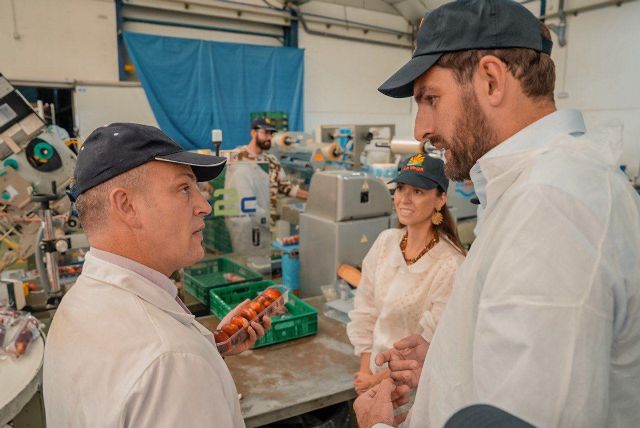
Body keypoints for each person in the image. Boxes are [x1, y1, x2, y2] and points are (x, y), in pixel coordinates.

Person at [354, 0, 640, 427]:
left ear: (490, 80)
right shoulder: (532, 188)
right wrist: (453, 360)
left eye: (431, 98)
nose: (420, 130)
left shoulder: (550, 205)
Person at [43, 123, 271, 427]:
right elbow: (163, 366)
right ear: (127, 206)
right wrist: (191, 363)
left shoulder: (78, 304)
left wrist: (209, 346)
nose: (204, 206)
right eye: (184, 189)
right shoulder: (171, 362)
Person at [347, 154, 465, 395]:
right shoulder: (386, 242)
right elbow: (366, 309)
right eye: (400, 189)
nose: (404, 199)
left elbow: (431, 344)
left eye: (418, 191)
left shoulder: (450, 264)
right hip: (371, 377)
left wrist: (377, 381)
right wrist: (366, 373)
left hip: (412, 391)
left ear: (440, 199)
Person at [232, 117, 308, 223]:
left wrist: (311, 197)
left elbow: (286, 187)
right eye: (266, 133)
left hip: (267, 222)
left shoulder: (272, 161)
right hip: (244, 222)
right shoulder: (236, 157)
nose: (269, 137)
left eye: (271, 134)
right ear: (253, 133)